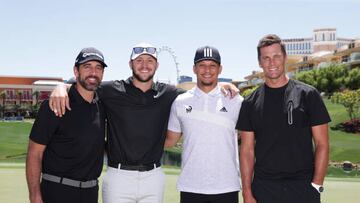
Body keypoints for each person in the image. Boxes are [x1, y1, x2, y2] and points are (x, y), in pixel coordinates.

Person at [49, 42, 239, 203]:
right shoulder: (111, 90)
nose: (144, 65)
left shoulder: (170, 94)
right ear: (131, 64)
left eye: (150, 61)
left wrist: (221, 85)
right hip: (118, 177)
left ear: (156, 66)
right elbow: (86, 83)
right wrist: (62, 86)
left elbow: (200, 92)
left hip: (153, 177)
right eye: (139, 61)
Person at [236, 34, 331, 203]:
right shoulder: (249, 103)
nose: (272, 63)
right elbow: (247, 151)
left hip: (302, 188)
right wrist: (247, 192)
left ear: (285, 57)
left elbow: (322, 144)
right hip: (264, 188)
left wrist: (317, 185)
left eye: (276, 56)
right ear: (259, 62)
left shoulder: (309, 95)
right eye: (266, 58)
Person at [26, 47, 107, 203]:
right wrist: (35, 196)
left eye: (98, 68)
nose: (93, 72)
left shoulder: (103, 104)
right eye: (87, 66)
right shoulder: (55, 104)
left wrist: (62, 85)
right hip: (57, 192)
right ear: (76, 71)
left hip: (90, 193)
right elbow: (34, 153)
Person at [165, 46, 242, 203]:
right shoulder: (180, 102)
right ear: (194, 68)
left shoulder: (236, 101)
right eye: (202, 65)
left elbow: (247, 141)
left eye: (212, 65)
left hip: (227, 187)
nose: (207, 70)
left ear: (220, 69)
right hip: (190, 187)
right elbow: (170, 141)